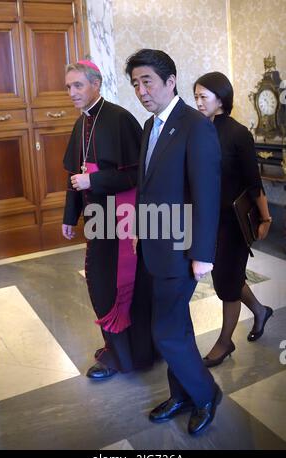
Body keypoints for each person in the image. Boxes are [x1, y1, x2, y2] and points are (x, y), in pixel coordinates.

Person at [125, 49, 222, 435]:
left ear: (170, 80)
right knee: (175, 326)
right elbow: (149, 189)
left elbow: (207, 194)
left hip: (182, 251)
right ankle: (181, 394)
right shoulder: (151, 126)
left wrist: (202, 254)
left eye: (147, 80)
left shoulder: (196, 126)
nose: (141, 90)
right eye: (135, 83)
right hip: (156, 246)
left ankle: (205, 394)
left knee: (164, 330)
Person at [62, 59, 156, 380]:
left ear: (96, 84)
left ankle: (129, 355)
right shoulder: (80, 124)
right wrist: (68, 215)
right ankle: (118, 352)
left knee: (117, 289)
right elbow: (74, 176)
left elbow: (135, 173)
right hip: (95, 220)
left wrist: (95, 181)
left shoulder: (119, 119)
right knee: (100, 287)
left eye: (78, 85)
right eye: (68, 86)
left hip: (120, 220)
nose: (71, 92)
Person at [193, 72, 273, 368]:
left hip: (234, 222)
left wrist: (265, 218)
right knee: (229, 277)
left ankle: (225, 342)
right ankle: (261, 312)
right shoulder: (199, 130)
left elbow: (254, 182)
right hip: (208, 220)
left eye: (204, 96)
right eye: (196, 96)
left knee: (226, 279)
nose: (199, 102)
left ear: (221, 98)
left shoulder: (239, 133)